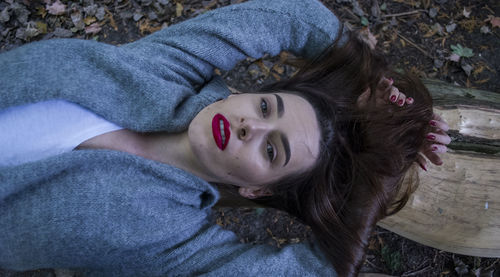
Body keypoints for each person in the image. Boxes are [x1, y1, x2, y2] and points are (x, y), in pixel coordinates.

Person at [0, 0, 450, 276]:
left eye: (271, 149)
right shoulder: (165, 69)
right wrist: (369, 74)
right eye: (264, 107)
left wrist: (381, 176)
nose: (249, 127)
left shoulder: (170, 242)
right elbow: (294, 16)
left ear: (259, 189)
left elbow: (317, 270)